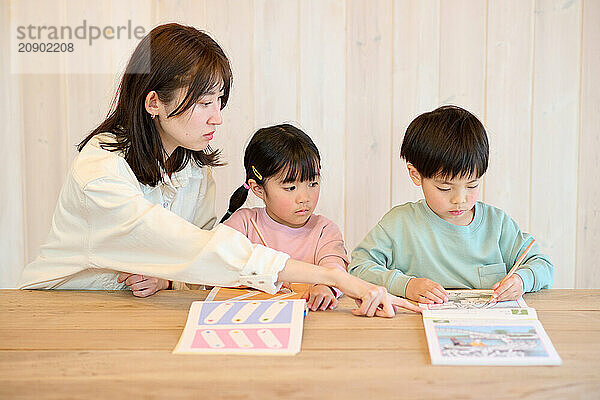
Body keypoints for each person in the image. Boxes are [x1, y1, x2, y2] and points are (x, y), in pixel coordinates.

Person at [19, 23, 420, 317]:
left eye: (219, 101)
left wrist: (166, 278)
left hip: (138, 308)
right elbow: (207, 248)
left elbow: (197, 253)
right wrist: (341, 279)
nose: (217, 118)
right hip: (58, 306)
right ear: (154, 101)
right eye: (203, 102)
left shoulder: (192, 166)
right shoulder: (101, 172)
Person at [348, 105, 554, 305]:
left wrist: (522, 280)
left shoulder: (497, 225)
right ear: (416, 175)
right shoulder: (399, 224)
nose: (460, 199)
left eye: (472, 185)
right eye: (445, 188)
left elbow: (543, 265)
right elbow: (358, 267)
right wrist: (406, 285)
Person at [221, 124, 348, 311]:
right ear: (258, 189)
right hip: (250, 318)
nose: (304, 198)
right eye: (290, 188)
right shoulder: (243, 225)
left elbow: (334, 268)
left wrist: (325, 286)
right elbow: (216, 268)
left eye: (313, 183)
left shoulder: (324, 231)